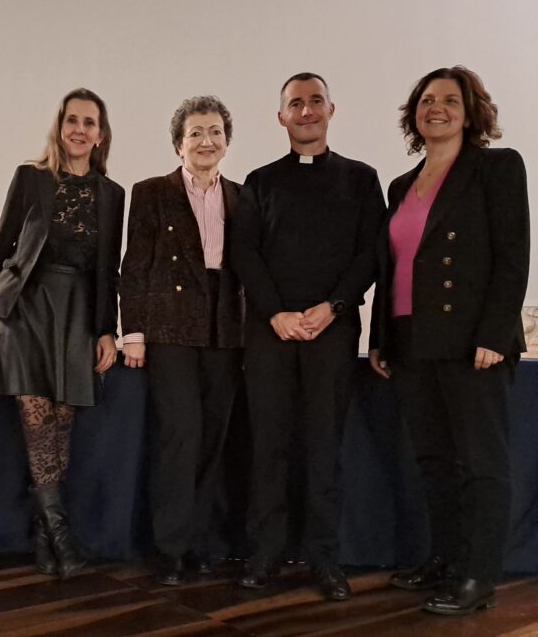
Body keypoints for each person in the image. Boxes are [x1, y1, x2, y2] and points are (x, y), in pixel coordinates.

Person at [369, 66, 530, 616]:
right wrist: (381, 338)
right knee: (433, 460)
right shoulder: (401, 184)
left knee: (481, 463)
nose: (436, 108)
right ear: (414, 113)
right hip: (411, 339)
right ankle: (444, 559)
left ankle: (477, 576)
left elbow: (513, 255)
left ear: (470, 112)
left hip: (470, 341)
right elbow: (391, 269)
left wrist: (494, 333)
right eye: (426, 100)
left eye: (449, 100)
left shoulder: (496, 167)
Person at [231, 73, 386, 600]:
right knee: (268, 446)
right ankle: (265, 553)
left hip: (332, 332)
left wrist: (334, 306)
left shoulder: (361, 179)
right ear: (281, 117)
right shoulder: (260, 181)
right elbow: (245, 251)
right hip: (269, 333)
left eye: (315, 101)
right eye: (295, 103)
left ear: (331, 110)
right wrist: (275, 313)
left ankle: (325, 558)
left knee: (324, 447)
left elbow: (369, 253)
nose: (306, 110)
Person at [0, 88, 124, 579]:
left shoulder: (112, 194)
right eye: (72, 120)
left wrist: (106, 330)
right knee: (37, 420)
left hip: (77, 312)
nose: (79, 129)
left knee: (62, 423)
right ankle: (62, 536)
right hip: (25, 310)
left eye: (89, 122)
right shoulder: (30, 177)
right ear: (59, 128)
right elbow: (1, 248)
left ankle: (45, 537)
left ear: (100, 134)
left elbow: (108, 271)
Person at [120, 96, 244, 586]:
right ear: (179, 143)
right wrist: (134, 333)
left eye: (215, 132)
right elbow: (135, 266)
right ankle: (169, 547)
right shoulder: (151, 192)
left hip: (225, 328)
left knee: (213, 437)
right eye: (195, 132)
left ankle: (200, 543)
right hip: (170, 326)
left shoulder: (241, 196)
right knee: (180, 435)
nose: (206, 141)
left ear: (226, 142)